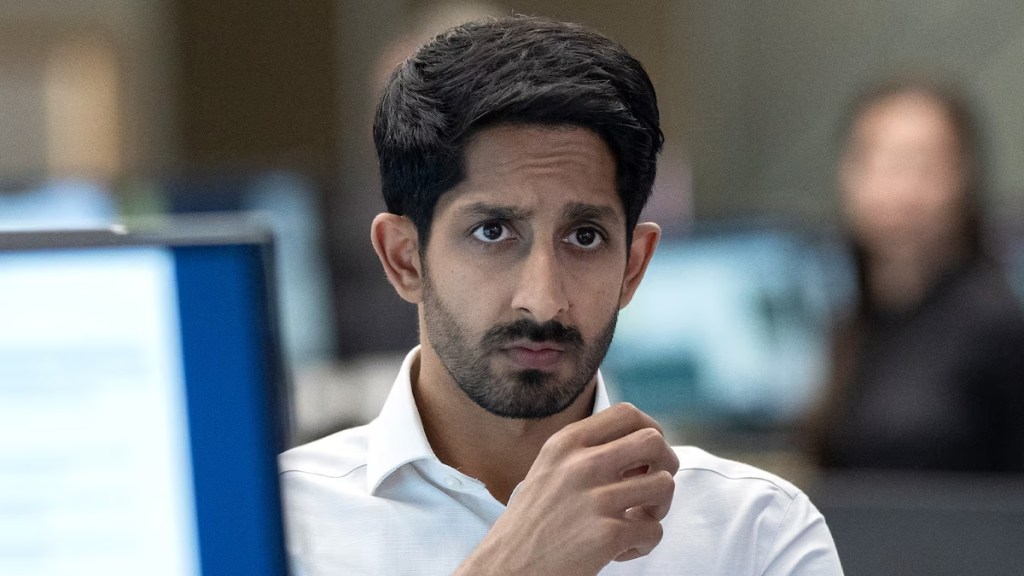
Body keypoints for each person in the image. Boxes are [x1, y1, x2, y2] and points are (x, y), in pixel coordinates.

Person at [280, 15, 843, 575]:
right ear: (404, 258)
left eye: (585, 237)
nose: (544, 301)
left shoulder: (754, 534)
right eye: (493, 232)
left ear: (634, 266)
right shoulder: (281, 524)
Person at [811, 75, 1024, 471]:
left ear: (964, 178)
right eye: (876, 160)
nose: (897, 186)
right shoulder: (857, 319)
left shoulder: (997, 328)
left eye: (920, 164)